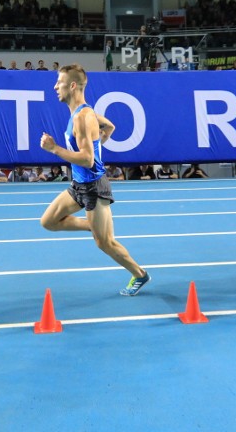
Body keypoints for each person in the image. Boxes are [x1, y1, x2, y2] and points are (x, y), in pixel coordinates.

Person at [39, 63, 150, 296]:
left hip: (94, 188)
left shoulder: (83, 117)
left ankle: (140, 274)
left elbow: (88, 160)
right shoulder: (81, 113)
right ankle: (94, 225)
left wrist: (54, 149)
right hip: (78, 185)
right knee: (48, 221)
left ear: (71, 85)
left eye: (59, 83)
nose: (54, 87)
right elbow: (109, 127)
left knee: (105, 243)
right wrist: (100, 144)